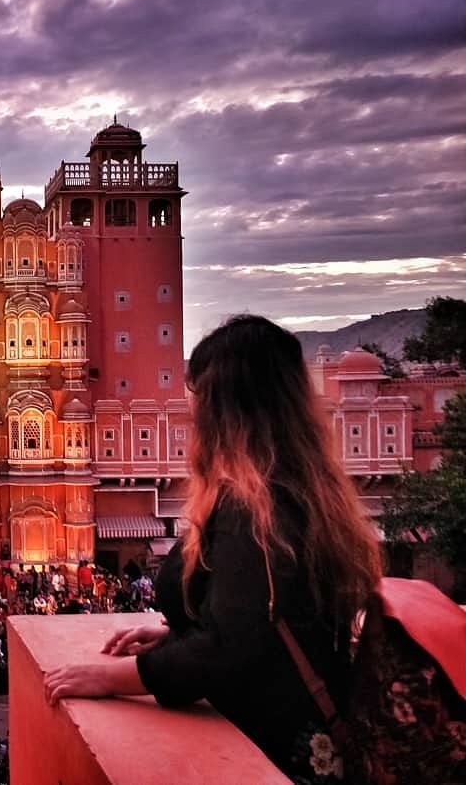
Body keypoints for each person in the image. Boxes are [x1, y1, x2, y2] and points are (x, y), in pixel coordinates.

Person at [43, 315, 383, 783]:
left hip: (271, 755)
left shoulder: (256, 510)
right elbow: (260, 625)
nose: (190, 414)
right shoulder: (301, 492)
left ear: (225, 411)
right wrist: (181, 634)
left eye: (198, 399)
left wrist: (108, 678)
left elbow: (227, 651)